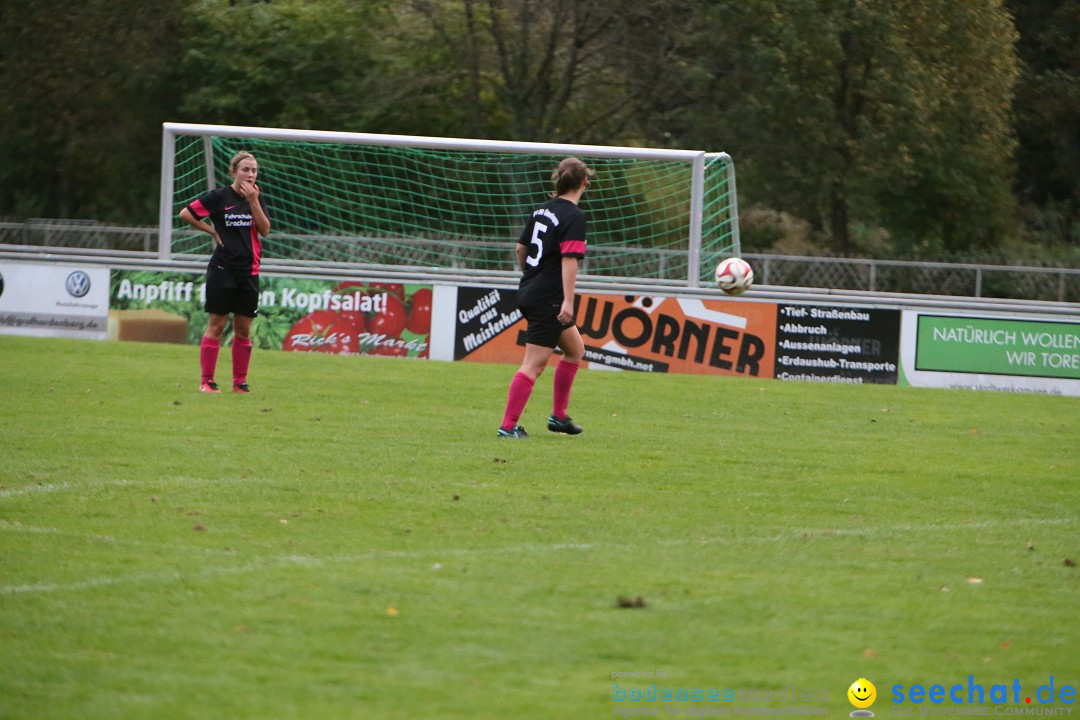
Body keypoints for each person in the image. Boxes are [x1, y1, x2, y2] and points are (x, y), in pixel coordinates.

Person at [497, 157, 594, 438]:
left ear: (558, 180)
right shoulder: (574, 216)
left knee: (575, 350)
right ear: (584, 182)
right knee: (533, 365)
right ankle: (507, 427)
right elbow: (569, 261)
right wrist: (567, 301)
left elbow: (520, 248)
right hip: (549, 298)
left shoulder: (541, 210)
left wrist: (531, 276)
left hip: (529, 290)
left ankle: (559, 417)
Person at [178, 150, 271, 394]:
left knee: (243, 329)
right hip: (222, 269)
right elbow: (185, 213)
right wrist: (212, 231)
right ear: (233, 172)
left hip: (249, 272)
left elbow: (265, 230)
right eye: (245, 170)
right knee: (217, 325)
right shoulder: (219, 197)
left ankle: (240, 383)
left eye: (254, 170)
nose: (250, 174)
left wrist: (253, 202)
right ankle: (206, 381)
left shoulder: (257, 198)